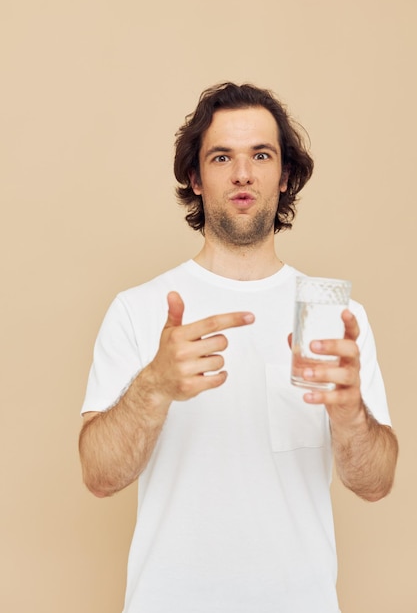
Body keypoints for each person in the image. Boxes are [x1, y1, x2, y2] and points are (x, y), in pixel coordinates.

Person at [79, 82, 398, 613]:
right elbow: (98, 475)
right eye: (222, 156)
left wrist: (349, 414)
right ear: (195, 178)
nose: (243, 173)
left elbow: (377, 483)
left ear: (285, 175)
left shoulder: (336, 317)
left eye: (261, 155)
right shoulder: (138, 309)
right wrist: (153, 388)